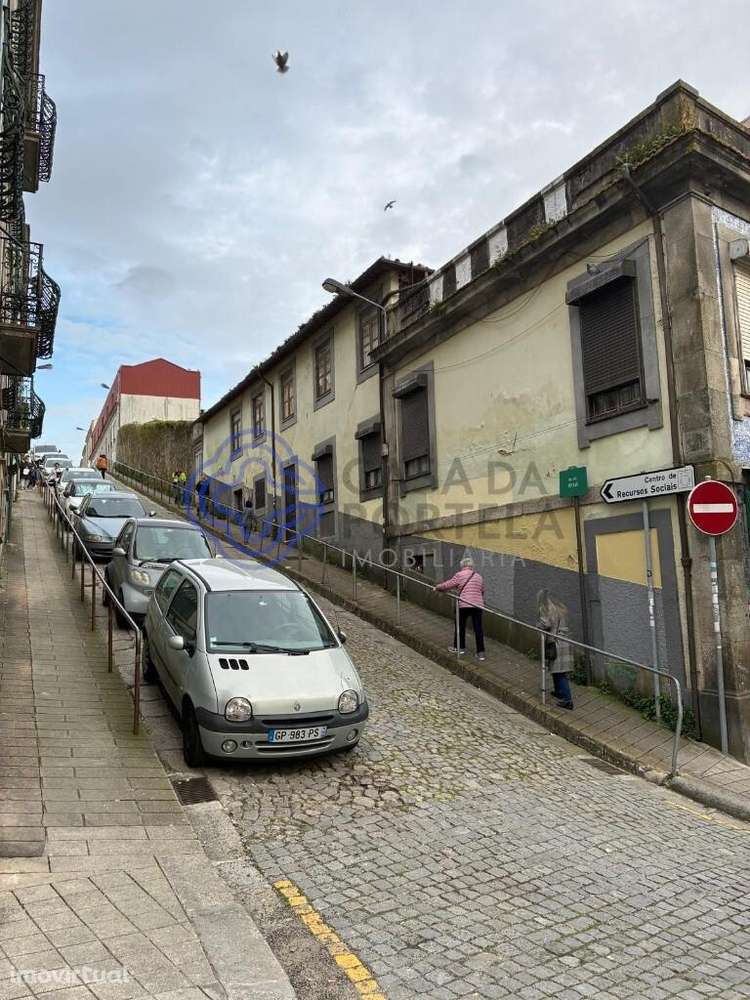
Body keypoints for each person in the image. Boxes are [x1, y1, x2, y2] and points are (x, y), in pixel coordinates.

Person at [434, 556, 486, 661]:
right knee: (478, 628)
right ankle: (481, 653)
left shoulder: (460, 575)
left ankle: (460, 648)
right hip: (477, 605)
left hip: (464, 604)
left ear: (462, 566)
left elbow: (448, 585)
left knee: (460, 626)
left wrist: (437, 587)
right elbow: (482, 591)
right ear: (472, 566)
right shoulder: (479, 577)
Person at [536, 588, 575, 710]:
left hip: (557, 643)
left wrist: (537, 625)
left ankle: (568, 700)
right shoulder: (560, 607)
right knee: (556, 669)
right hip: (565, 641)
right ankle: (559, 691)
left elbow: (546, 624)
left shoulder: (546, 608)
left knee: (560, 672)